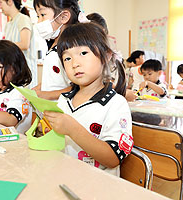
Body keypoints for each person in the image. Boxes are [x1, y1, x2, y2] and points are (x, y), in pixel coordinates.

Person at [44, 23, 133, 176]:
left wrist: (72, 129)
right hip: (63, 178)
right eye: (67, 58)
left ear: (106, 56)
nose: (74, 64)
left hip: (98, 188)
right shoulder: (64, 100)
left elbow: (113, 158)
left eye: (83, 53)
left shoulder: (116, 104)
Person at [32, 0, 82, 100]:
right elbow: (57, 79)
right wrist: (38, 88)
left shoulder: (70, 49)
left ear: (64, 17)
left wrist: (44, 95)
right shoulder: (53, 44)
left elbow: (78, 87)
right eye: (38, 16)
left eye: (42, 15)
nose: (39, 21)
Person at [1, 0, 37, 89]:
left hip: (25, 69)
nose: (0, 6)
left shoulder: (23, 19)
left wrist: (2, 47)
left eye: (1, 2)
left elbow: (25, 44)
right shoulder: (8, 24)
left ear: (10, 2)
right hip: (13, 69)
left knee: (24, 100)